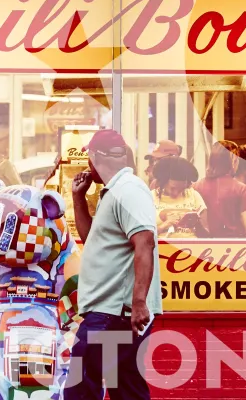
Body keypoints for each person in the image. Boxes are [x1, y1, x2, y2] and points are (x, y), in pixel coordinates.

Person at [68, 129, 161, 400]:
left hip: (113, 314)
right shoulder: (113, 192)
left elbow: (145, 242)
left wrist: (139, 303)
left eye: (88, 158)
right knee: (127, 389)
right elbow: (92, 240)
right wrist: (79, 199)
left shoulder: (128, 190)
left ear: (96, 157)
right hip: (114, 313)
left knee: (80, 386)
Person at [194, 142, 246, 238]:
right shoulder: (241, 189)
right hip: (233, 248)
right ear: (234, 161)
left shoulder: (195, 187)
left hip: (203, 248)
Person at [150, 156, 205, 238]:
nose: (176, 193)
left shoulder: (194, 195)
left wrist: (197, 223)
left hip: (192, 247)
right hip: (162, 248)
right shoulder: (150, 198)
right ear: (163, 182)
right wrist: (165, 225)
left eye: (181, 189)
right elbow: (143, 236)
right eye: (172, 188)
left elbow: (207, 234)